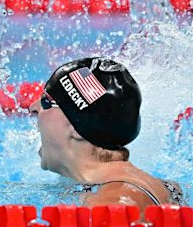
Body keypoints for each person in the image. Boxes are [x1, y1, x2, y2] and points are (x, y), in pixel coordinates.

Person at [29, 57, 184, 211]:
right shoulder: (162, 187)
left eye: (46, 102)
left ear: (77, 127)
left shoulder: (114, 204)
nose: (32, 107)